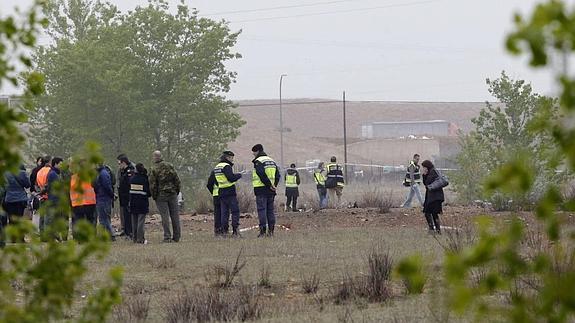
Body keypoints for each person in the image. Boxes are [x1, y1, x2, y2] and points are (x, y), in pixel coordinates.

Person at [207, 151, 242, 237]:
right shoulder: (226, 166)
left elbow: (210, 182)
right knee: (235, 211)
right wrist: (239, 175)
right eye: (231, 158)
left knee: (223, 213)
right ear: (228, 157)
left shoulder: (216, 167)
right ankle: (235, 231)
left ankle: (223, 231)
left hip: (220, 192)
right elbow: (231, 178)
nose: (232, 160)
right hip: (230, 192)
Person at [150, 150, 182, 243]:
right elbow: (177, 179)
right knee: (175, 215)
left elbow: (153, 184)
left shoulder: (154, 169)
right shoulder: (170, 166)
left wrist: (154, 195)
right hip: (172, 193)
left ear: (155, 157)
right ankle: (177, 236)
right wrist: (176, 191)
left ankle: (167, 237)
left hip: (161, 195)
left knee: (165, 216)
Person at [251, 144, 280, 237]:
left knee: (262, 210)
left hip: (261, 189)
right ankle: (271, 232)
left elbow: (261, 174)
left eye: (254, 152)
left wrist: (268, 185)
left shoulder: (258, 161)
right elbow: (278, 175)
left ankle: (263, 232)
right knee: (270, 211)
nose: (253, 154)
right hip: (271, 190)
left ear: (258, 151)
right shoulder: (272, 161)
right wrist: (273, 185)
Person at [3, 164, 30, 242]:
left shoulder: (5, 173)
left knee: (11, 219)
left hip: (9, 198)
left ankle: (12, 238)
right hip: (20, 199)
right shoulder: (22, 173)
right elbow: (27, 185)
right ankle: (20, 238)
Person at [70, 165, 97, 237]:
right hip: (90, 202)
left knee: (78, 221)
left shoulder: (73, 177)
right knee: (90, 221)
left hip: (77, 203)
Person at [46, 157, 67, 240]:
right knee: (55, 218)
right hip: (55, 199)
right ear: (56, 164)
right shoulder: (53, 174)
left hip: (55, 198)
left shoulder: (55, 173)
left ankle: (55, 235)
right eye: (60, 164)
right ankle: (54, 235)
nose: (62, 166)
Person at [129, 163, 151, 244]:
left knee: (134, 221)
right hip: (142, 203)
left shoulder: (132, 179)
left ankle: (134, 238)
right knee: (140, 222)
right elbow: (148, 192)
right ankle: (140, 238)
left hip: (133, 202)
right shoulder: (144, 179)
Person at [421, 160, 445, 234]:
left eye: (424, 167)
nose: (423, 169)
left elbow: (428, 183)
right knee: (430, 212)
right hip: (432, 196)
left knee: (431, 213)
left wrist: (425, 175)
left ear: (427, 166)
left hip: (435, 197)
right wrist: (424, 175)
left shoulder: (433, 172)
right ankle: (435, 229)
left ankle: (435, 230)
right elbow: (426, 184)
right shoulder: (431, 172)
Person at [94, 163, 116, 241]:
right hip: (102, 198)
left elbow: (107, 186)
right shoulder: (101, 173)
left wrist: (111, 195)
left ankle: (111, 235)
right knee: (104, 218)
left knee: (104, 219)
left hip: (103, 198)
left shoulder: (103, 174)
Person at [117, 154, 135, 239]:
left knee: (129, 216)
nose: (119, 165)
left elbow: (130, 184)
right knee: (125, 215)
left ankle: (131, 232)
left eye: (119, 163)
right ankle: (127, 232)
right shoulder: (122, 171)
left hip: (128, 196)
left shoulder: (130, 170)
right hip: (123, 197)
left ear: (123, 162)